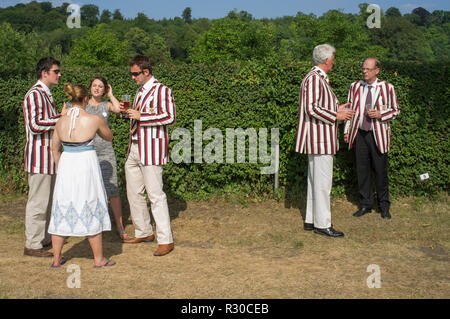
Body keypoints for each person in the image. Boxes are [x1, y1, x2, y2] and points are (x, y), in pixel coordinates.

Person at [48, 83, 116, 268]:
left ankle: (56, 259)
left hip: (67, 163)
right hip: (86, 162)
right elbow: (109, 137)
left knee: (62, 204)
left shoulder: (60, 121)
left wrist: (58, 167)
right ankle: (99, 259)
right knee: (91, 201)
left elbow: (54, 148)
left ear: (71, 99)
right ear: (85, 99)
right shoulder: (93, 119)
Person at [294, 44, 354, 238]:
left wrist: (339, 107)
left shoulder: (316, 78)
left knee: (315, 182)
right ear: (326, 60)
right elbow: (311, 108)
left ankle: (311, 221)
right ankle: (323, 224)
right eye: (333, 58)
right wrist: (336, 115)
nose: (334, 61)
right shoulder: (314, 79)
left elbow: (319, 105)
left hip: (318, 139)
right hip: (319, 139)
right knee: (322, 184)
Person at [120, 55, 175, 256]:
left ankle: (165, 239)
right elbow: (135, 117)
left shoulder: (162, 90)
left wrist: (142, 116)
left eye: (135, 74)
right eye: (132, 74)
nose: (133, 77)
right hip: (133, 148)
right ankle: (143, 231)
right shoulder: (139, 91)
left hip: (151, 149)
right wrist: (125, 113)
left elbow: (170, 116)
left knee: (155, 195)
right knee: (134, 193)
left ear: (146, 72)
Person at [344, 58, 400, 219]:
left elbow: (396, 111)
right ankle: (365, 204)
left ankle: (384, 206)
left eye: (368, 69)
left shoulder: (387, 88)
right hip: (360, 134)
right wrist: (347, 131)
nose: (364, 71)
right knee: (362, 171)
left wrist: (380, 114)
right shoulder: (355, 87)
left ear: (377, 70)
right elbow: (349, 111)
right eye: (363, 69)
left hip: (378, 135)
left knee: (381, 172)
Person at [22, 57, 66, 258]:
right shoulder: (34, 94)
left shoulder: (45, 94)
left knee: (47, 202)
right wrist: (61, 117)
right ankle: (32, 244)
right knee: (38, 203)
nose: (59, 74)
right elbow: (35, 125)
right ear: (44, 73)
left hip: (48, 158)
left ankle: (43, 238)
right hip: (38, 158)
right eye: (55, 71)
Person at [86, 76, 128, 240]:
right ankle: (92, 224)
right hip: (87, 153)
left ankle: (119, 225)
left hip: (106, 152)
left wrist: (111, 95)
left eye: (101, 86)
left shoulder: (106, 105)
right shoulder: (83, 105)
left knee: (113, 190)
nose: (97, 88)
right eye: (94, 85)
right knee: (89, 190)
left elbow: (119, 110)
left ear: (104, 89)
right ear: (90, 88)